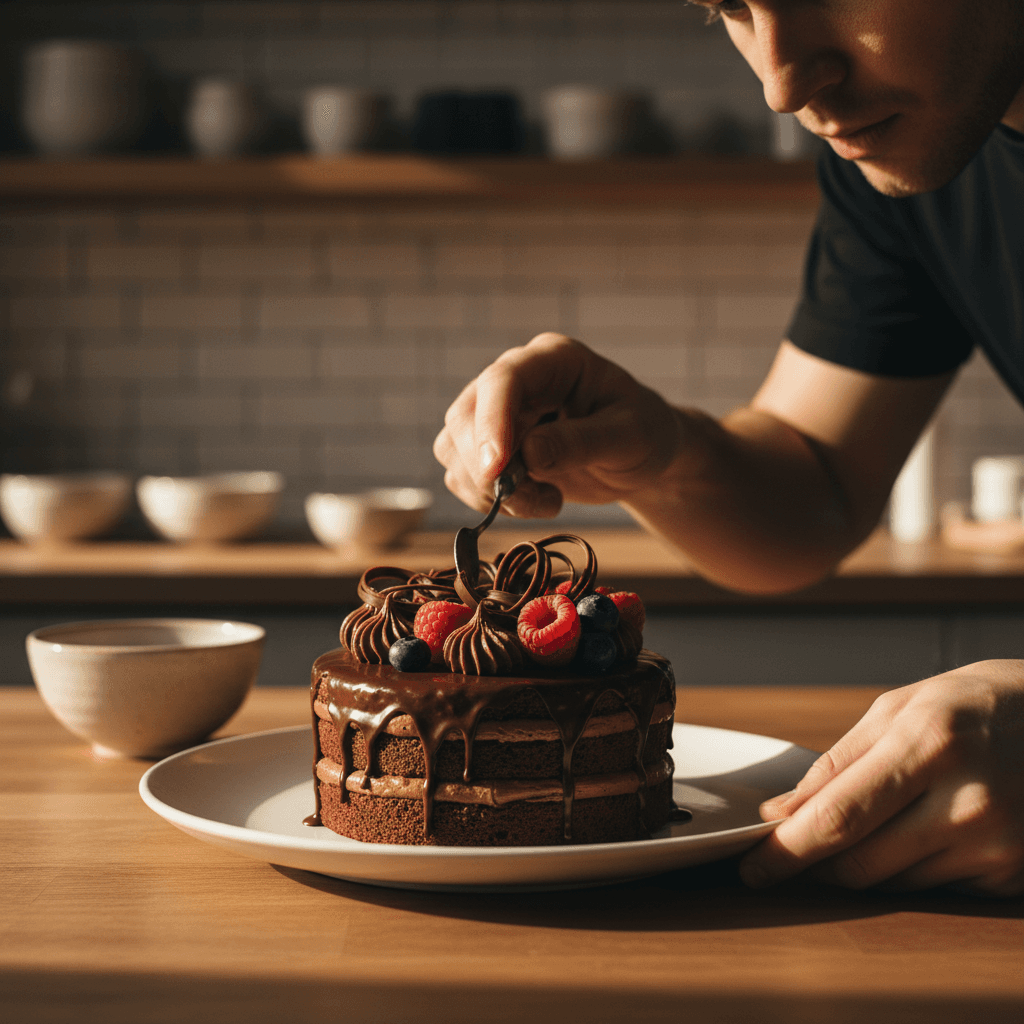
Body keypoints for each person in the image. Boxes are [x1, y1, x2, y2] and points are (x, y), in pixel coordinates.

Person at [433, 0, 1024, 897]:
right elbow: (816, 485)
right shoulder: (914, 153)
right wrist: (661, 457)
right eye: (730, 9)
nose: (782, 85)